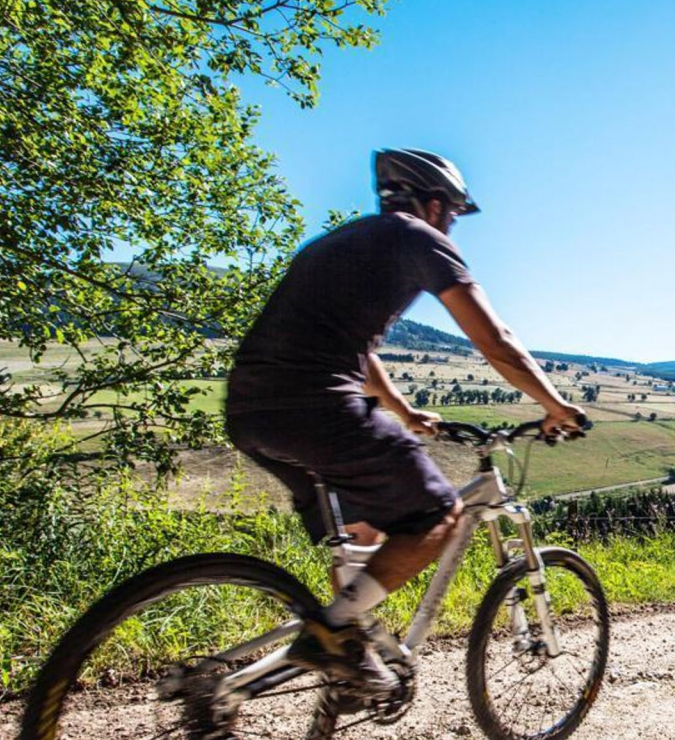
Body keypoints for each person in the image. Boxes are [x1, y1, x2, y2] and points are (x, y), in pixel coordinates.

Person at [225, 148, 585, 697]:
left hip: (251, 411)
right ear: (436, 205)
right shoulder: (421, 239)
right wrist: (556, 405)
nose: (455, 226)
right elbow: (495, 340)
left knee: (364, 536)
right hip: (318, 407)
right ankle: (334, 634)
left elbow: (354, 349)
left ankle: (349, 657)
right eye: (457, 215)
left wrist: (402, 410)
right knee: (438, 514)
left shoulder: (337, 245)